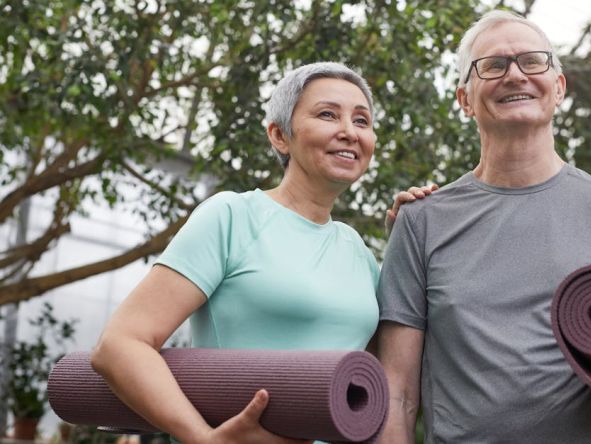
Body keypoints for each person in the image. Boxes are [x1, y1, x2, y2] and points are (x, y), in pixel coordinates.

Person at [375, 10, 591, 444]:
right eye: (492, 65)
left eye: (532, 61)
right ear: (464, 99)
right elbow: (397, 393)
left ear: (558, 87)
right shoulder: (421, 221)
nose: (515, 75)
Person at [91, 62, 434, 444]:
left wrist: (410, 238)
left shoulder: (358, 251)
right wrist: (204, 438)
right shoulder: (232, 217)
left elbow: (375, 380)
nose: (349, 132)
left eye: (362, 121)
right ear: (279, 136)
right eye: (327, 115)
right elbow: (119, 344)